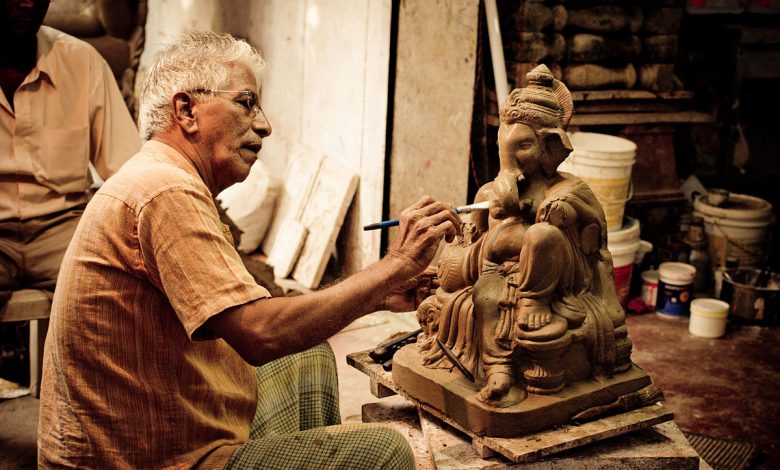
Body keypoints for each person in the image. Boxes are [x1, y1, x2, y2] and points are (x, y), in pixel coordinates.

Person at [37, 30, 460, 469]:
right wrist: (395, 265)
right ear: (187, 111)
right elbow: (261, 334)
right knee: (384, 453)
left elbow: (251, 317)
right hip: (139, 459)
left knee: (308, 355)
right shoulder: (164, 190)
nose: (265, 125)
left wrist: (375, 294)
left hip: (156, 426)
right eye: (246, 102)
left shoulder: (164, 178)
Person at [414, 65, 633, 406]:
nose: (511, 159)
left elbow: (590, 241)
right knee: (485, 296)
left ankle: (534, 301)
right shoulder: (491, 192)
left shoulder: (568, 188)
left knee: (541, 236)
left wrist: (556, 214)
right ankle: (499, 371)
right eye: (506, 146)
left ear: (551, 147)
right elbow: (464, 254)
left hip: (558, 280)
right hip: (500, 274)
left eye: (525, 146)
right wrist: (486, 230)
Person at [0, 0, 141, 380]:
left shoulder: (82, 62)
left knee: (125, 295)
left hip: (63, 227)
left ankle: (83, 424)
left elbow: (129, 171)